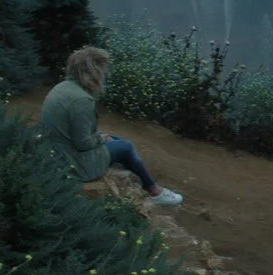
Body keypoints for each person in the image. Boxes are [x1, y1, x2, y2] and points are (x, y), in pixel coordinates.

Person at [37, 46, 184, 207]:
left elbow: (73, 131)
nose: (104, 74)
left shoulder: (62, 87)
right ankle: (154, 191)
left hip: (56, 152)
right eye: (102, 69)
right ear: (92, 72)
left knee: (115, 140)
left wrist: (100, 137)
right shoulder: (82, 100)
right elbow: (83, 144)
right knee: (126, 147)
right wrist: (100, 139)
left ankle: (141, 181)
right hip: (72, 162)